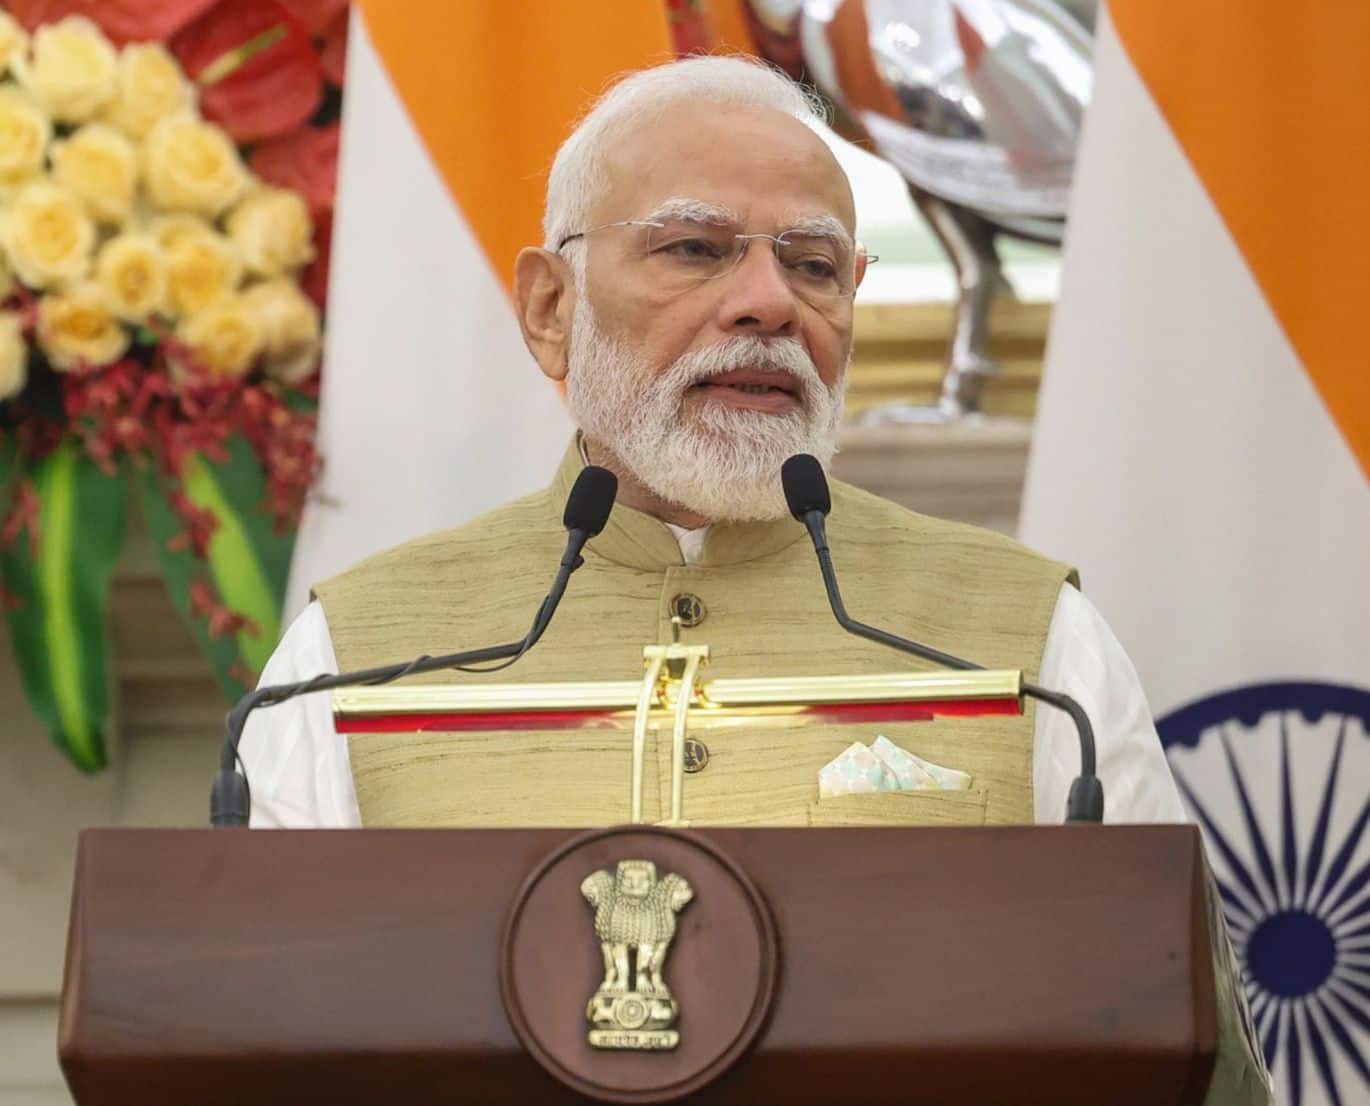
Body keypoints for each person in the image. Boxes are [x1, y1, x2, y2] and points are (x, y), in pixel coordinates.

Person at [238, 54, 1185, 831]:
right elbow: (262, 1033)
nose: (770, 303)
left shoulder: (1036, 647)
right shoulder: (349, 659)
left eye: (814, 265)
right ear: (550, 308)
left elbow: (1159, 1024)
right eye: (693, 248)